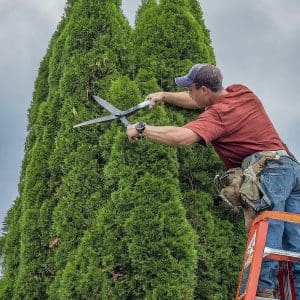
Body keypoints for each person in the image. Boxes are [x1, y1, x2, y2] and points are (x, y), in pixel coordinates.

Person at [126, 63, 300, 298]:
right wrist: (164, 96)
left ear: (204, 89)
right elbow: (197, 100)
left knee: (268, 227)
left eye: (191, 88)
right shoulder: (241, 92)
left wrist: (142, 128)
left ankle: (262, 291)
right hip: (291, 168)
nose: (188, 93)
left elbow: (182, 137)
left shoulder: (217, 116)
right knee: (295, 241)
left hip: (271, 171)